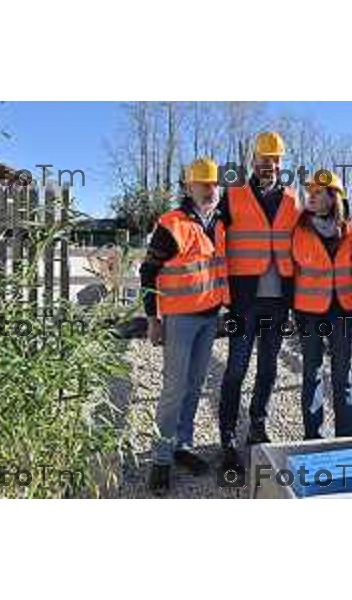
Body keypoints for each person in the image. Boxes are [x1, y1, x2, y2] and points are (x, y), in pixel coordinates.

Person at [139, 158, 229, 492]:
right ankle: (160, 460)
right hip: (179, 320)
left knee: (195, 386)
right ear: (188, 187)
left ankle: (183, 446)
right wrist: (153, 318)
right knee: (173, 390)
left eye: (214, 183)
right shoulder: (171, 224)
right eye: (203, 184)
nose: (210, 189)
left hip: (209, 318)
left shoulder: (219, 223)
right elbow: (147, 272)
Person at [218, 132, 301, 467]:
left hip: (277, 302)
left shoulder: (293, 200)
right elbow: (212, 234)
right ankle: (226, 435)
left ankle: (257, 425)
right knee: (236, 369)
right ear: (253, 160)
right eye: (265, 159)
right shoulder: (233, 194)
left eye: (276, 160)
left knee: (268, 369)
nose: (271, 165)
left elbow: (307, 243)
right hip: (244, 300)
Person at [292, 171, 352, 440]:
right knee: (312, 373)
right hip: (308, 312)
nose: (312, 197)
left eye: (318, 192)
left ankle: (346, 437)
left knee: (343, 378)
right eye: (310, 193)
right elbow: (291, 270)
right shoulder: (299, 230)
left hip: (341, 311)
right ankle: (313, 435)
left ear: (334, 197)